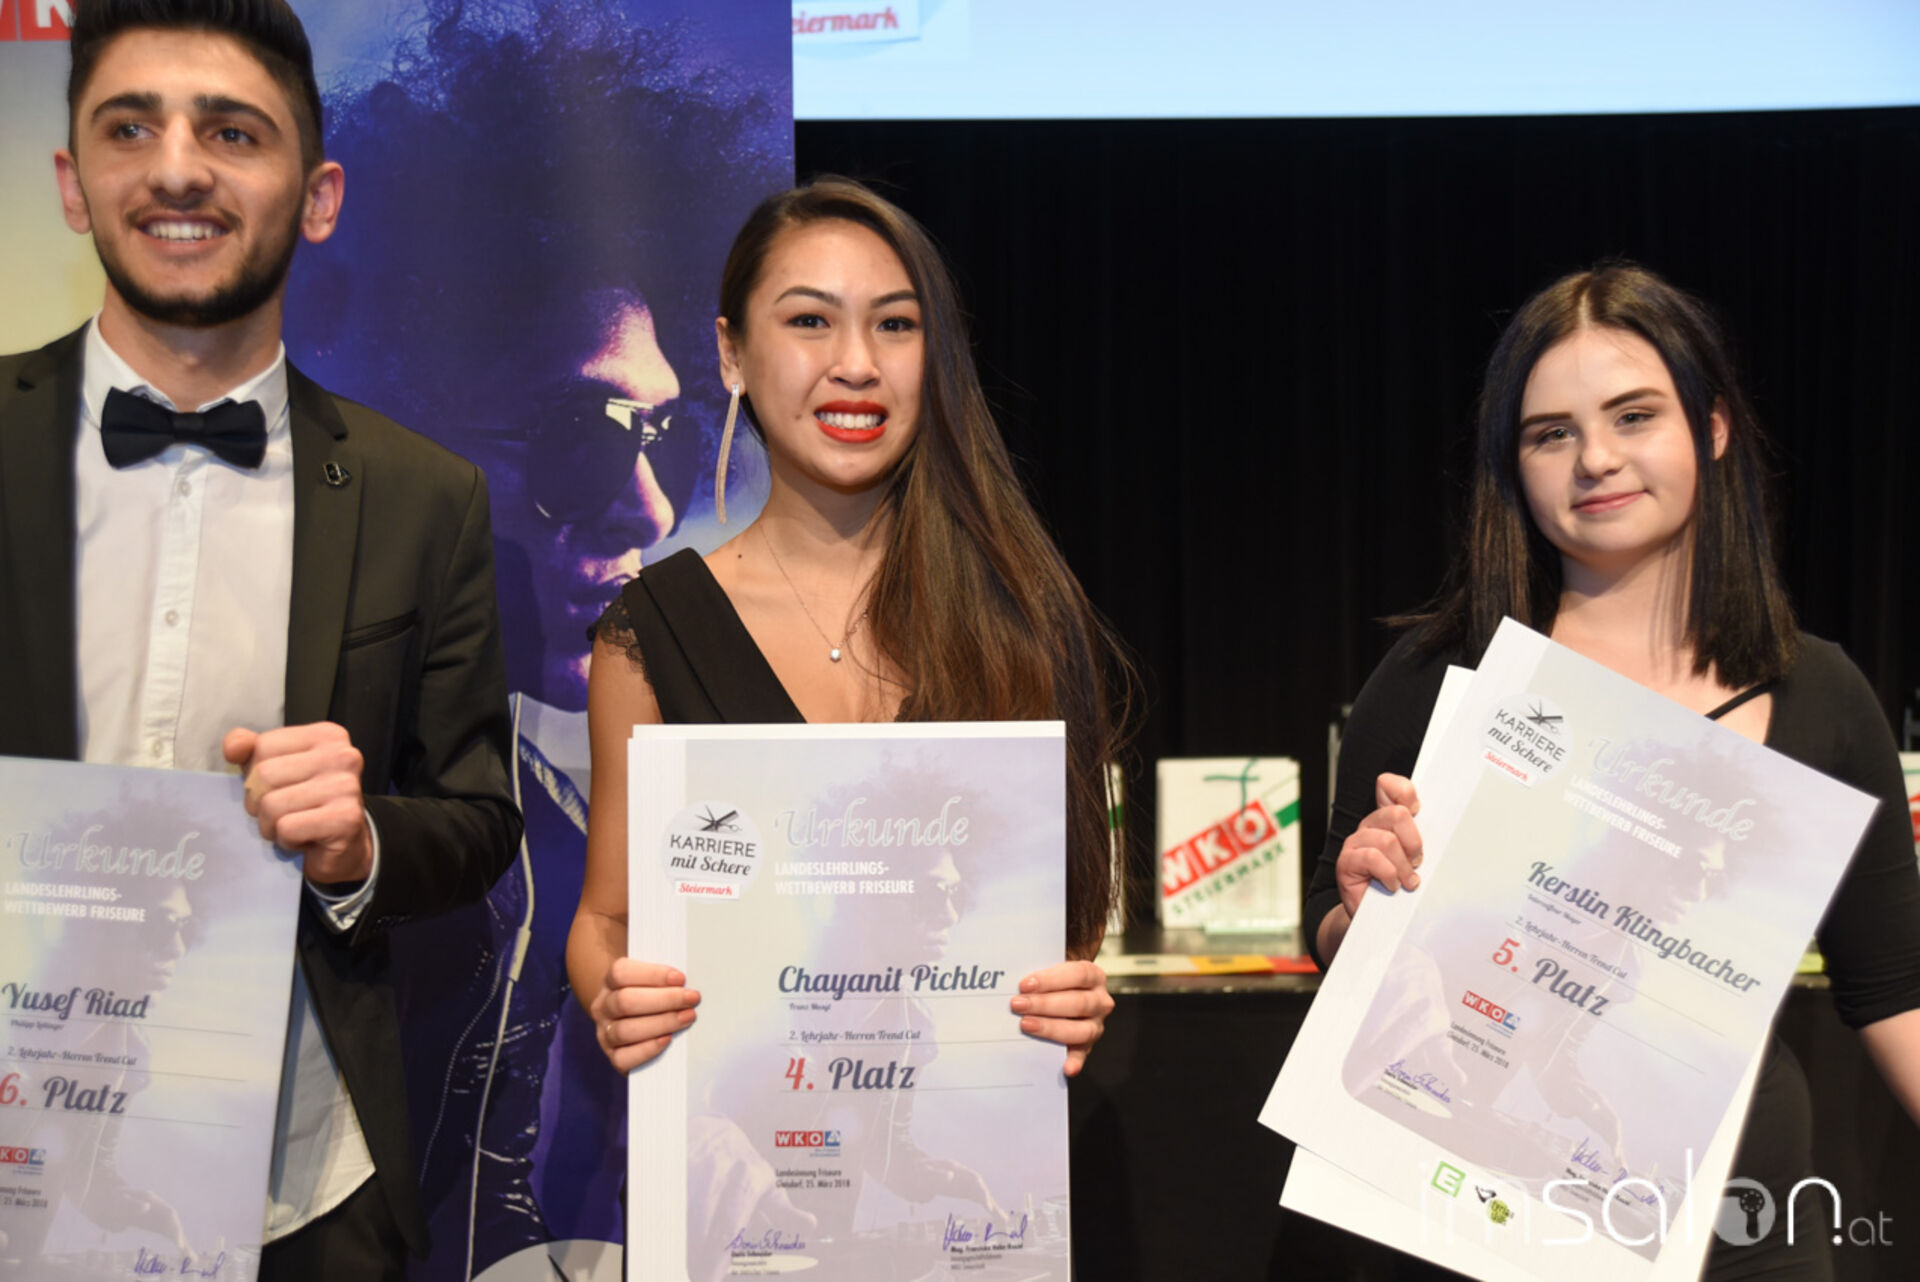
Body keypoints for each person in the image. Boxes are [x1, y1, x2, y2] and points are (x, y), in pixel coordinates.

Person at [0, 2, 521, 1277]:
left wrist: (356, 843)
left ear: (319, 194)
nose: (178, 168)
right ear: (71, 181)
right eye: (132, 128)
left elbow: (477, 818)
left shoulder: (425, 497)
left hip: (302, 1189)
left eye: (232, 132)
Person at [280, 4, 788, 1273]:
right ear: (428, 443)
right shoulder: (316, 762)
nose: (653, 509)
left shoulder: (650, 780)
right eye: (579, 442)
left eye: (664, 435)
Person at [1305, 262, 1920, 1275]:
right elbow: (1330, 934)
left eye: (1634, 416)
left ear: (1711, 427)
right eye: (1551, 433)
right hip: (1463, 1224)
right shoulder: (1439, 677)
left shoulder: (1822, 695)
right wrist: (1361, 911)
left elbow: (1894, 989)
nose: (1595, 458)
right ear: (1514, 465)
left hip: (1741, 1233)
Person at [566, 171, 1127, 1128]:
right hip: (738, 1158)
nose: (857, 364)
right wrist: (613, 995)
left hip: (956, 1152)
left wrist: (1074, 992)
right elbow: (605, 918)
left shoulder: (1019, 614)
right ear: (732, 352)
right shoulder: (650, 632)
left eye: (895, 325)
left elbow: (1056, 922)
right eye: (810, 322)